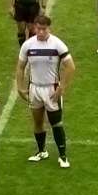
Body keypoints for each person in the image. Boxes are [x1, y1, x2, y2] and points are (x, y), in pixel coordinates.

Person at [16, 14, 75, 168]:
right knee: (38, 122)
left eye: (44, 29)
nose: (41, 32)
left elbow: (70, 67)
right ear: (34, 28)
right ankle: (42, 151)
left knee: (56, 123)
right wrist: (20, 87)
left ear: (49, 28)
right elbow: (20, 67)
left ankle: (63, 156)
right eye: (38, 29)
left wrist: (62, 87)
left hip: (51, 89)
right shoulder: (28, 45)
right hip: (34, 88)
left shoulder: (57, 44)